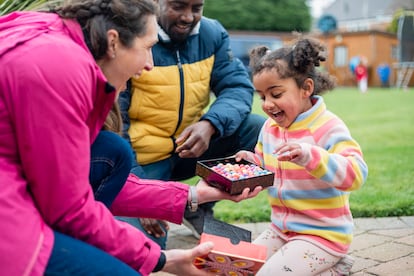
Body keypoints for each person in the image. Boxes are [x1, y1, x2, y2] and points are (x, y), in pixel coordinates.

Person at [0, 0, 263, 275]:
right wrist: (161, 259)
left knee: (110, 151)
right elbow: (70, 208)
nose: (150, 64)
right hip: (12, 225)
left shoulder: (61, 39)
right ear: (113, 41)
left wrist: (195, 195)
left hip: (173, 154)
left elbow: (73, 183)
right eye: (148, 48)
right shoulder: (61, 68)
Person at [119, 0, 266, 245]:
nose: (188, 17)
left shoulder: (212, 33)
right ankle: (172, 200)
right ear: (156, 2)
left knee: (255, 129)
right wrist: (141, 194)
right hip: (143, 162)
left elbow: (237, 87)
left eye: (196, 8)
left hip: (191, 150)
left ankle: (198, 205)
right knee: (143, 247)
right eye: (178, 6)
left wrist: (211, 124)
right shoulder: (133, 34)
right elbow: (114, 125)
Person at [235, 37, 368, 275]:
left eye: (276, 94)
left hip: (322, 236)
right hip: (281, 230)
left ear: (306, 88)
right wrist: (251, 165)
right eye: (262, 96)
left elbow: (356, 174)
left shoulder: (328, 127)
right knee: (239, 267)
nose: (267, 104)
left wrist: (311, 157)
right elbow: (268, 169)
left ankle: (333, 268)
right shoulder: (269, 129)